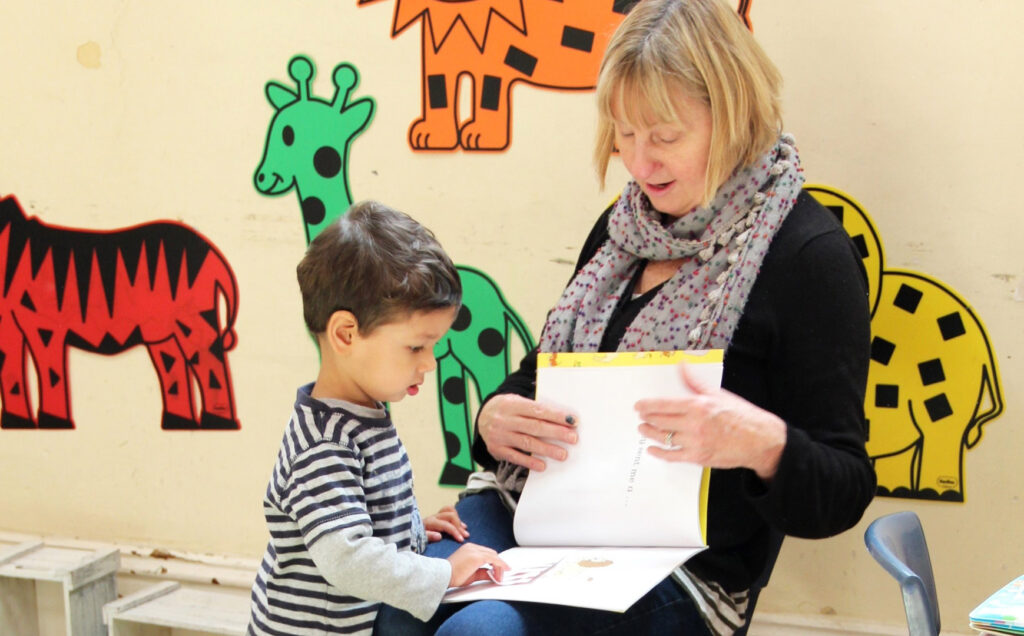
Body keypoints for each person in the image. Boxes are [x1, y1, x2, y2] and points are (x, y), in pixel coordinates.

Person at [374, 0, 876, 634]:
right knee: (403, 604)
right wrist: (493, 417)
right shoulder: (621, 229)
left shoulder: (807, 257)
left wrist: (758, 443)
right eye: (624, 134)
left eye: (665, 137)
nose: (639, 164)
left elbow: (845, 486)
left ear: (734, 116)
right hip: (535, 513)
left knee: (481, 630)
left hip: (682, 573)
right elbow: (541, 381)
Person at [247, 200, 509, 636]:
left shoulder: (365, 413)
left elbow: (353, 517)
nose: (430, 363)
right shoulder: (325, 445)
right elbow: (346, 559)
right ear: (346, 334)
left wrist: (404, 529)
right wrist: (444, 574)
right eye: (415, 347)